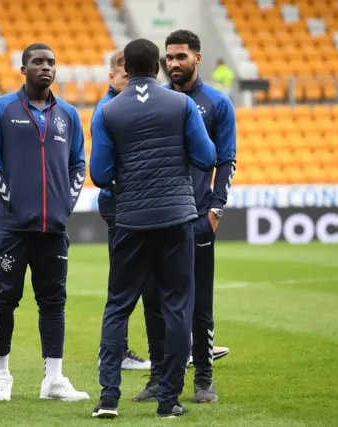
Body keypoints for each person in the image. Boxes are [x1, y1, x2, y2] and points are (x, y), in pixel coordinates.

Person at [89, 38, 216, 419]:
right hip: (177, 218)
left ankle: (108, 398)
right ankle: (168, 402)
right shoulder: (181, 104)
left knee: (117, 306)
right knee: (177, 307)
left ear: (126, 66)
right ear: (158, 65)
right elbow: (206, 156)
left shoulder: (108, 111)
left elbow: (100, 174)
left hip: (130, 220)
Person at [133, 30, 237, 405]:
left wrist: (215, 209)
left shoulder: (217, 103)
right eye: (169, 57)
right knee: (152, 300)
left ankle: (204, 379)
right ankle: (159, 377)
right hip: (157, 217)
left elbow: (226, 159)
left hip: (195, 218)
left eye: (181, 57)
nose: (173, 63)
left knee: (199, 303)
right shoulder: (156, 101)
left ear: (197, 57)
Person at [0, 43, 89, 402]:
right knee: (4, 300)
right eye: (38, 62)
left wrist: (65, 204)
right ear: (24, 69)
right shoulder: (0, 109)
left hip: (54, 230)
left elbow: (78, 165)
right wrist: (11, 202)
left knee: (54, 302)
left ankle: (54, 380)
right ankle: (1, 375)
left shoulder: (69, 115)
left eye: (51, 63)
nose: (46, 68)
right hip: (14, 228)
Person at [94, 50, 152, 371]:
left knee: (138, 278)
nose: (130, 82)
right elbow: (104, 170)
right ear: (112, 78)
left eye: (133, 75)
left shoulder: (121, 107)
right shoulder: (107, 110)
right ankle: (118, 351)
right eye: (124, 77)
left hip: (126, 202)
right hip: (119, 203)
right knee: (124, 281)